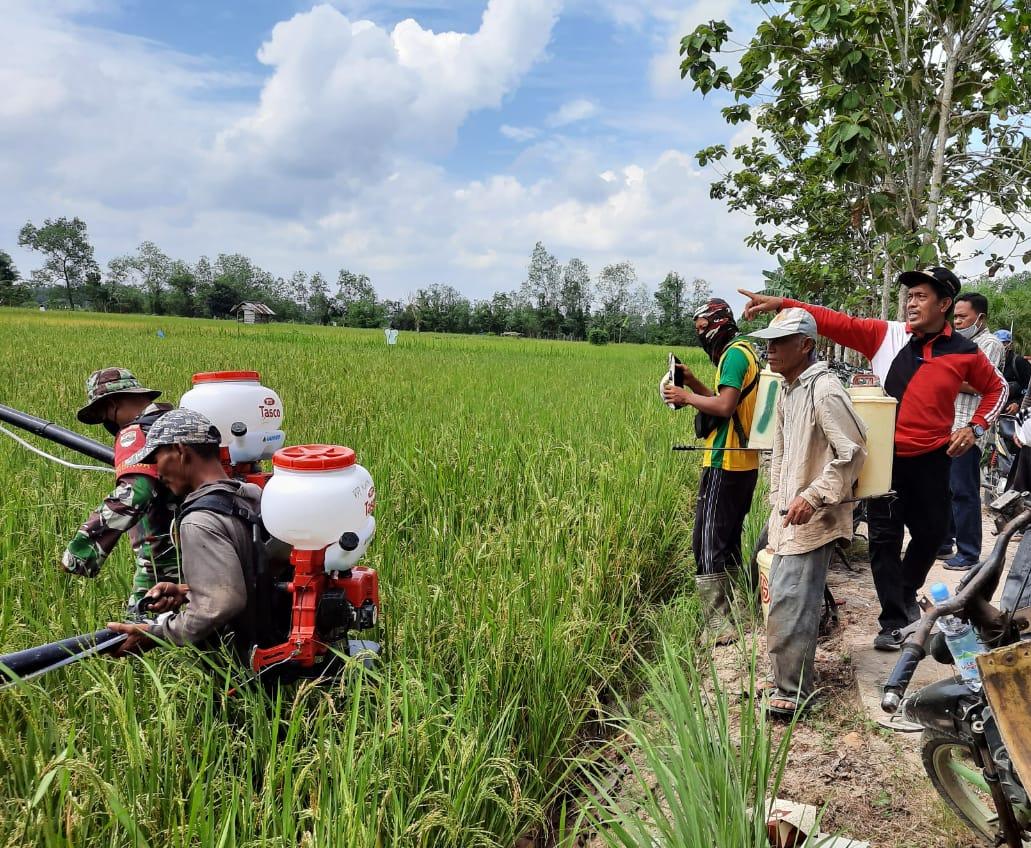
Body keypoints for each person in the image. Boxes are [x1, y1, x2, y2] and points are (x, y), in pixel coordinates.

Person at [740, 267, 1006, 651]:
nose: (911, 303)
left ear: (945, 304)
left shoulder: (965, 352)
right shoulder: (888, 336)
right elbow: (835, 322)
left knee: (932, 535)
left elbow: (996, 388)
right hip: (884, 461)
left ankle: (905, 591)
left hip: (933, 459)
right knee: (884, 539)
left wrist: (975, 428)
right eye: (909, 296)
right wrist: (783, 304)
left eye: (921, 297)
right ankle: (893, 620)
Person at [749, 308, 867, 718]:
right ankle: (784, 675)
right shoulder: (788, 388)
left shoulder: (825, 390)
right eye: (768, 342)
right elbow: (780, 454)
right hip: (787, 513)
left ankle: (793, 692)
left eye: (779, 343)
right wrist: (776, 501)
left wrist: (813, 496)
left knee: (794, 602)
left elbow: (851, 453)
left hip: (812, 516)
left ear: (806, 345)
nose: (770, 350)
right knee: (780, 597)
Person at [106, 408, 270, 662]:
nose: (156, 472)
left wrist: (156, 633)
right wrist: (189, 591)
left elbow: (221, 603)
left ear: (181, 451)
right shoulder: (250, 496)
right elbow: (254, 573)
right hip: (271, 640)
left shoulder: (198, 521)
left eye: (157, 457)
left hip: (242, 666)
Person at [661, 298, 761, 643]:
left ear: (719, 324)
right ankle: (731, 610)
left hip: (725, 459)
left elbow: (723, 406)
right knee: (727, 538)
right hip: (743, 461)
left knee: (706, 541)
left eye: (703, 328)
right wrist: (691, 382)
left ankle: (718, 625)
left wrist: (685, 397)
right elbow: (724, 406)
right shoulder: (744, 351)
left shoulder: (733, 354)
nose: (701, 336)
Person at [62, 368, 177, 608]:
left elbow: (136, 492)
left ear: (112, 404)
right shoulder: (176, 421)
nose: (107, 423)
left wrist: (81, 551)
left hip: (163, 556)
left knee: (141, 628)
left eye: (104, 415)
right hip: (209, 540)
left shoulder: (135, 433)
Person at [938, 293, 1004, 570]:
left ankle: (968, 552)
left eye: (964, 316)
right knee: (945, 488)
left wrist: (944, 375)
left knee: (964, 490)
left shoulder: (989, 344)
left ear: (981, 318)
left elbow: (978, 384)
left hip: (968, 429)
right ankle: (943, 543)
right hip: (947, 425)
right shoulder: (959, 344)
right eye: (957, 316)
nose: (959, 321)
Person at [998, 329, 1031, 414]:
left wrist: (1018, 404)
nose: (999, 346)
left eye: (1003, 343)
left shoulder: (1018, 362)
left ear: (1010, 345)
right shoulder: (992, 362)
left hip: (1014, 411)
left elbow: (1028, 389)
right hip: (995, 409)